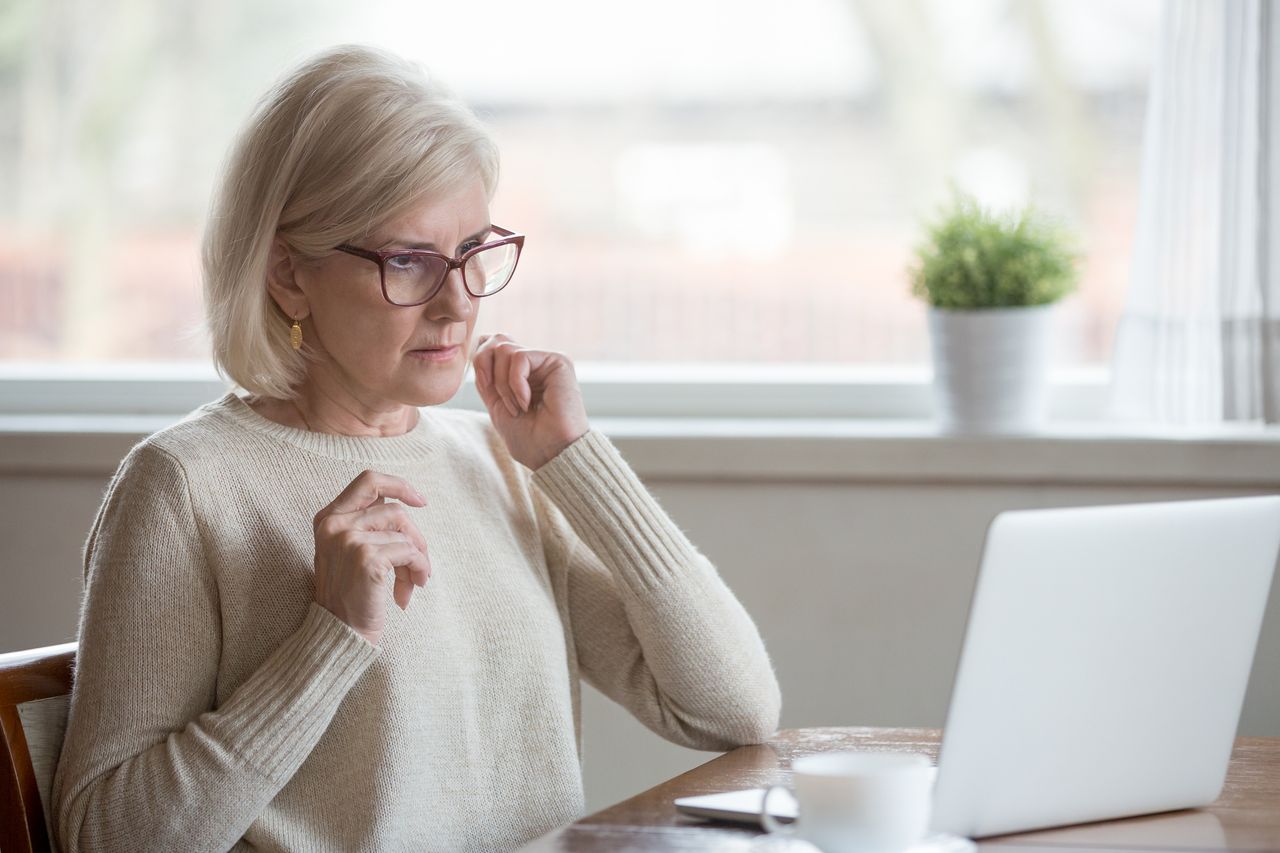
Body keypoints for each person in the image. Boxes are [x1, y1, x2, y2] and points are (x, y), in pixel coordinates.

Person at [50, 44, 781, 853]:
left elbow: (731, 709)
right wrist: (330, 639)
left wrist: (575, 459)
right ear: (289, 275)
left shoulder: (502, 463)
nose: (455, 305)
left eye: (472, 253)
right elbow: (105, 837)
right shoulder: (186, 487)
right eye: (408, 261)